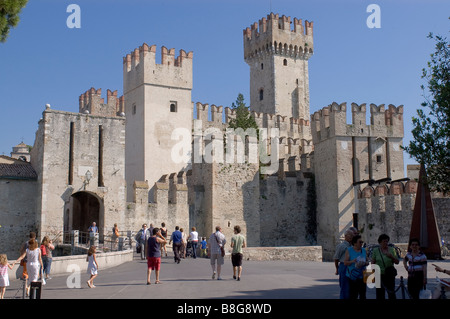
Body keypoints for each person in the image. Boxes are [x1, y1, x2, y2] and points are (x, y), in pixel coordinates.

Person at [371, 234, 399, 300]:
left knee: (391, 292)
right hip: (378, 274)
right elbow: (373, 262)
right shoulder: (375, 250)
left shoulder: (392, 250)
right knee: (379, 294)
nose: (386, 243)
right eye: (384, 241)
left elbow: (397, 262)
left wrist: (391, 256)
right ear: (380, 242)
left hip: (389, 274)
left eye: (387, 241)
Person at [333, 229, 355, 299]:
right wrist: (337, 269)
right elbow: (336, 258)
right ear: (345, 236)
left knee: (352, 288)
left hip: (352, 267)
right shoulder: (341, 246)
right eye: (350, 235)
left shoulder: (353, 246)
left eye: (352, 236)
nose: (351, 237)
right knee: (345, 288)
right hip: (344, 266)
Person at [344, 234, 367, 299]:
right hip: (352, 276)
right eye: (360, 242)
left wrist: (365, 263)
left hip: (362, 275)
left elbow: (368, 260)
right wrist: (352, 261)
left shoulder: (364, 250)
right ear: (355, 243)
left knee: (363, 295)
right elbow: (345, 262)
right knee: (353, 295)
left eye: (362, 242)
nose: (361, 243)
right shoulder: (349, 250)